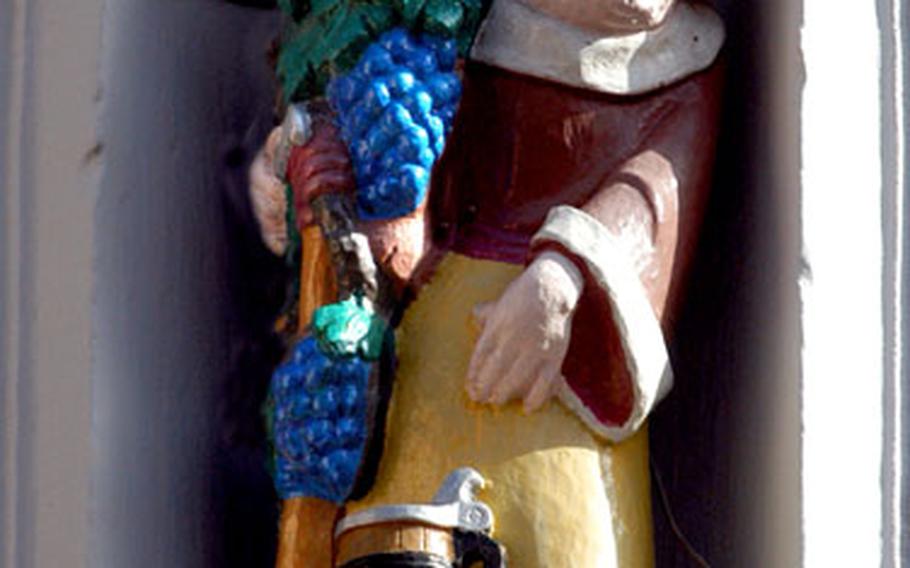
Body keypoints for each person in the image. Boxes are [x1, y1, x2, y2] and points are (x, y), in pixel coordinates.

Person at [250, 0, 724, 564]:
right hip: (424, 345)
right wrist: (297, 168)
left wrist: (566, 273)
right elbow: (386, 139)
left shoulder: (685, 59)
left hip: (559, 364)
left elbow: (658, 186)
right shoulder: (455, 26)